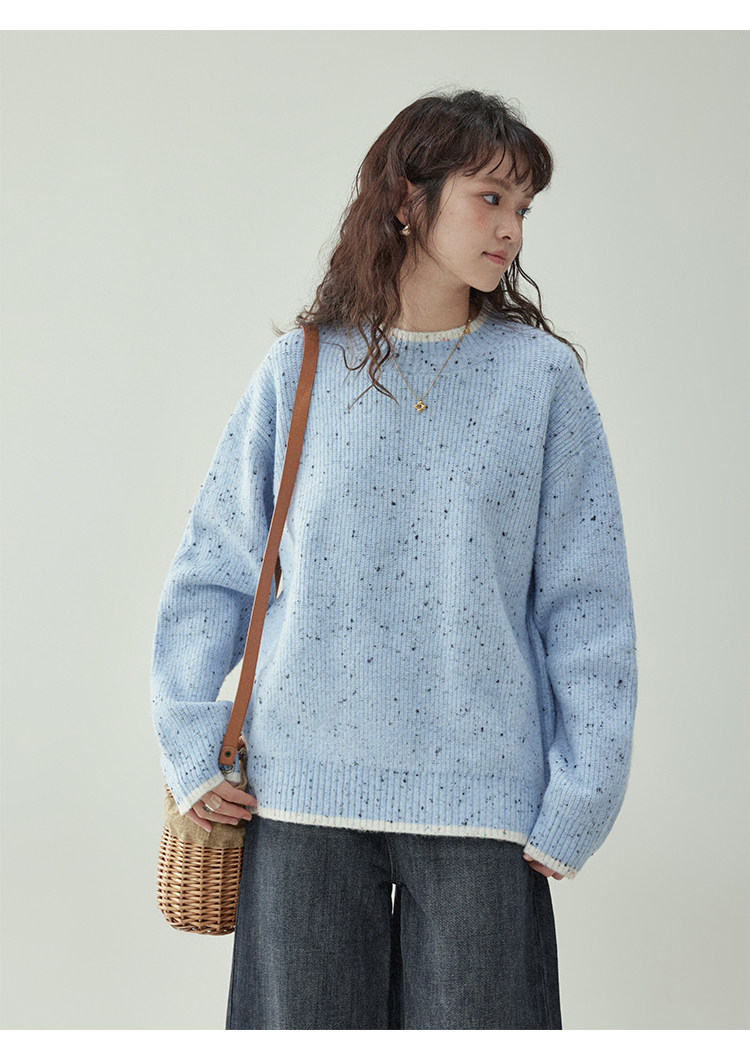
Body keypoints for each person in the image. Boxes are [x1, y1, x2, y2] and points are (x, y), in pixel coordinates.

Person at [151, 89, 638, 1030]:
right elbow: (215, 568)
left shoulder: (542, 381)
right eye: (490, 198)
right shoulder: (300, 367)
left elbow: (586, 603)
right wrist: (188, 737)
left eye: (524, 207)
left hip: (483, 802)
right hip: (298, 795)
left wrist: (585, 789)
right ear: (409, 201)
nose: (512, 229)